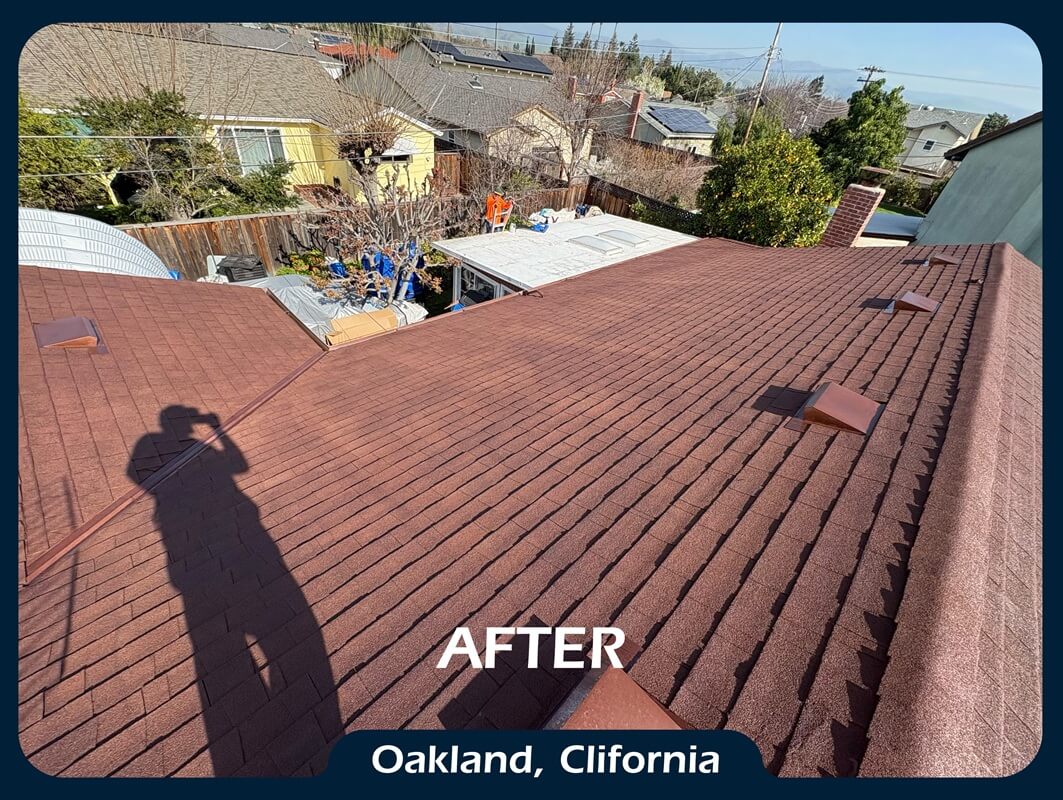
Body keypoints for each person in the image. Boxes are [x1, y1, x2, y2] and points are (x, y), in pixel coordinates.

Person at [128, 406, 342, 774]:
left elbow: (138, 474)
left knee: (226, 652)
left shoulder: (153, 444)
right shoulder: (170, 443)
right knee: (283, 643)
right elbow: (238, 467)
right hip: (217, 540)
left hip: (192, 548)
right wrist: (217, 431)